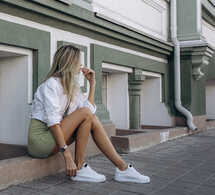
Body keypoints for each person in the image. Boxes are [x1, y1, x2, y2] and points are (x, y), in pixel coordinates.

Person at [28, 45, 150, 183]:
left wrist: (93, 83)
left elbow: (89, 113)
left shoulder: (71, 87)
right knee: (86, 114)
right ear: (69, 62)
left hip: (53, 138)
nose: (81, 64)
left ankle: (122, 168)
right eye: (78, 60)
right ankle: (86, 168)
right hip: (40, 142)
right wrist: (67, 157)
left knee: (91, 118)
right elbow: (53, 123)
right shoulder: (51, 84)